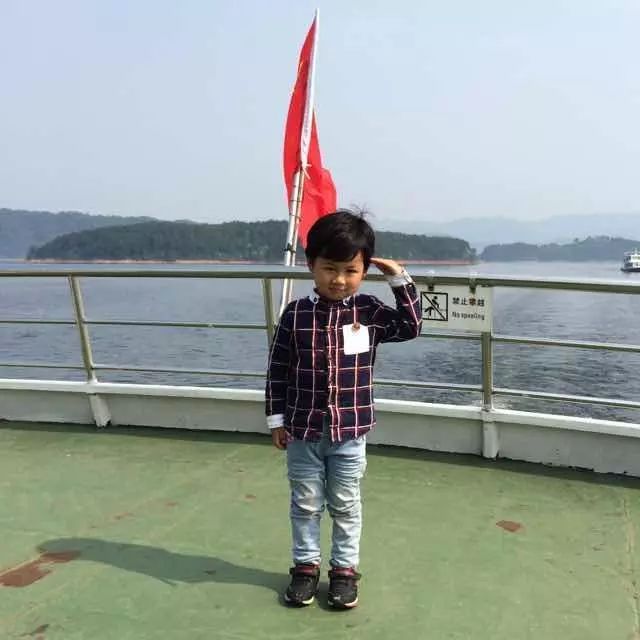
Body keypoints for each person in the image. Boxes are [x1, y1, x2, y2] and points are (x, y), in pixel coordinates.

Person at [265, 209, 422, 609]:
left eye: (351, 270)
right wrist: (276, 420)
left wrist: (398, 278)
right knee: (304, 503)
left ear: (364, 270)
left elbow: (411, 326)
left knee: (345, 503)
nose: (338, 279)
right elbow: (277, 369)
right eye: (329, 268)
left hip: (350, 432)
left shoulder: (369, 311)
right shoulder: (295, 314)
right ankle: (305, 568)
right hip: (301, 430)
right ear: (311, 266)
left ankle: (344, 571)